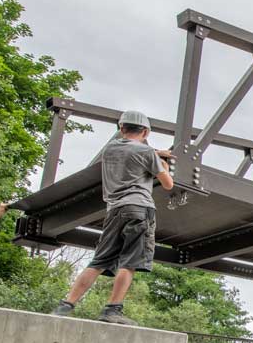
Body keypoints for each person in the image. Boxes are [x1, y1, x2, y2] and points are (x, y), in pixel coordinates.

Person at [51, 110, 173, 325]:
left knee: (99, 261)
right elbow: (167, 184)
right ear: (145, 131)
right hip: (139, 207)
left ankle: (66, 304)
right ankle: (112, 310)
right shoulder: (147, 154)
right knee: (130, 261)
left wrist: (155, 152)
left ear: (121, 128)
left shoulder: (109, 149)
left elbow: (130, 150)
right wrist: (163, 163)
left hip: (114, 210)